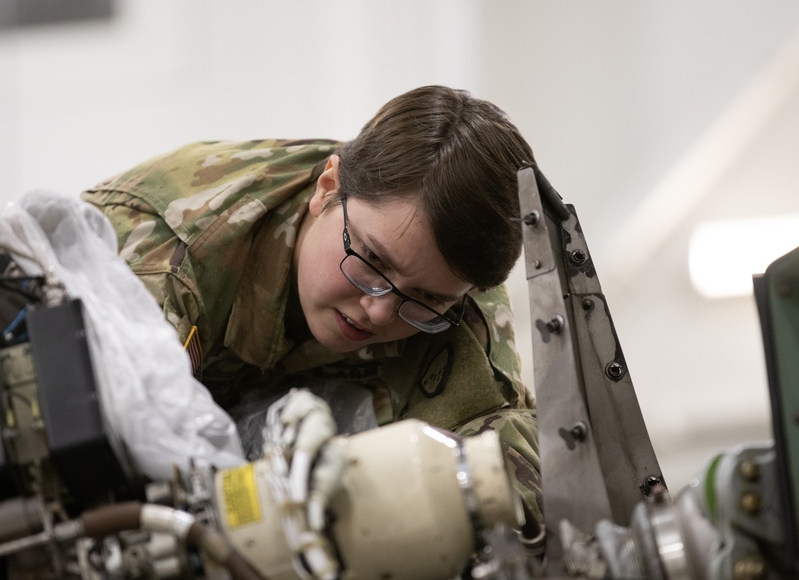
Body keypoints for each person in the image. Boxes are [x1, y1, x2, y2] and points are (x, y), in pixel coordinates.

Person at [81, 85, 543, 536]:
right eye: (372, 261)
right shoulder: (169, 263)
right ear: (327, 189)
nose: (380, 313)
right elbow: (110, 463)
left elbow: (508, 459)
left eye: (424, 299)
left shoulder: (452, 282)